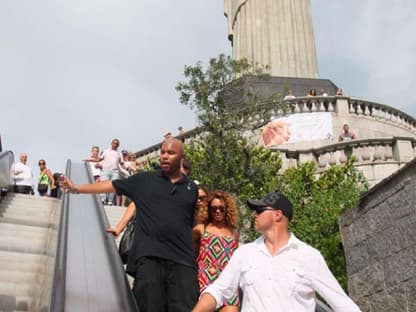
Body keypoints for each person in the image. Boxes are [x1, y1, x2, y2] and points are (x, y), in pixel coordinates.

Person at [62, 138, 199, 312]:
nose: (164, 156)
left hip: (183, 262)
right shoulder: (144, 180)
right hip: (150, 258)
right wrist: (76, 189)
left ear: (181, 157)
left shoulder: (191, 188)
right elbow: (110, 185)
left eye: (170, 153)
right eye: (163, 152)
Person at [192, 192, 361, 312]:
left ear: (277, 215)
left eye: (260, 210)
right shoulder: (245, 254)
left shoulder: (309, 257)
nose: (254, 215)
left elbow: (342, 304)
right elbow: (218, 290)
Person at [193, 190, 240, 312]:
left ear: (227, 209)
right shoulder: (201, 229)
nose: (217, 211)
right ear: (208, 209)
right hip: (205, 279)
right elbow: (192, 255)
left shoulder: (234, 233)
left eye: (221, 208)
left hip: (227, 280)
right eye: (213, 208)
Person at [98, 138, 124, 205]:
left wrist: (127, 168)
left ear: (118, 145)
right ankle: (103, 199)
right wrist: (99, 165)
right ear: (111, 143)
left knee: (113, 186)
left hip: (115, 172)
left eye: (117, 144)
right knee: (103, 185)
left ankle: (110, 200)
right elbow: (99, 159)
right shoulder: (105, 151)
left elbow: (122, 163)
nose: (115, 145)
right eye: (114, 143)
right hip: (105, 170)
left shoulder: (119, 153)